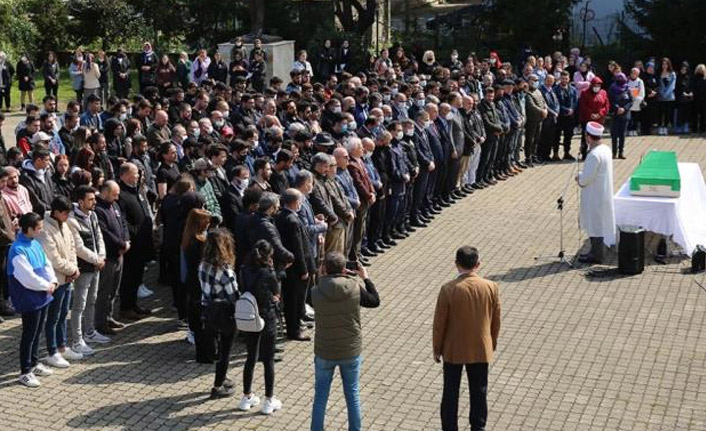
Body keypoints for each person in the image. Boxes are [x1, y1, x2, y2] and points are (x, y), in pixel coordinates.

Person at [433, 246, 501, 431]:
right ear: (478, 264)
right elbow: (496, 320)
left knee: (450, 393)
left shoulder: (448, 289)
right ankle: (478, 427)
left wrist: (437, 349)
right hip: (481, 347)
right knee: (479, 392)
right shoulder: (491, 287)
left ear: (456, 264)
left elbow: (440, 323)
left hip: (453, 349)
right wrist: (491, 343)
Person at [310, 251, 380, 431]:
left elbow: (314, 294)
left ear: (324, 268)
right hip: (350, 350)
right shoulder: (355, 288)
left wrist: (319, 275)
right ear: (344, 269)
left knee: (320, 397)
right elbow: (374, 301)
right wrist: (366, 278)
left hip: (325, 351)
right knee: (352, 394)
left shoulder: (316, 292)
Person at [9, 212, 58, 387]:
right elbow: (27, 277)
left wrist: (52, 280)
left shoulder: (35, 243)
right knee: (28, 335)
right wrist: (47, 285)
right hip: (29, 298)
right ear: (28, 229)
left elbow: (46, 264)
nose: (40, 231)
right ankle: (25, 371)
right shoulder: (17, 249)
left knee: (37, 332)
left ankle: (35, 363)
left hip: (42, 295)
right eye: (38, 228)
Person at [37, 196, 82, 369]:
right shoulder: (45, 229)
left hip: (68, 277)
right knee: (53, 317)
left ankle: (62, 346)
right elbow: (53, 258)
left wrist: (74, 269)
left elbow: (72, 249)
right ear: (56, 212)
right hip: (56, 280)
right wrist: (72, 270)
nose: (67, 217)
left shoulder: (65, 224)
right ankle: (52, 351)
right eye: (65, 213)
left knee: (64, 314)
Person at [238, 240, 282, 415]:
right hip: (266, 318)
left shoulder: (243, 270)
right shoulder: (268, 273)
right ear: (268, 256)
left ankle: (246, 396)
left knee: (250, 357)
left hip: (249, 317)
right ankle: (269, 400)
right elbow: (276, 294)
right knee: (268, 360)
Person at [198, 228, 239, 399]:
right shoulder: (225, 271)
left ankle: (222, 377)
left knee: (219, 349)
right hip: (225, 313)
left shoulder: (202, 265)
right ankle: (217, 386)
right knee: (225, 351)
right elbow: (234, 296)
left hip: (208, 311)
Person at [68, 185, 107, 356]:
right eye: (90, 200)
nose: (94, 202)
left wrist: (102, 256)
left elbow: (99, 236)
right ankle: (77, 341)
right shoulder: (72, 220)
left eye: (94, 199)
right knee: (79, 306)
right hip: (83, 269)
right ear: (80, 201)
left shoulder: (93, 215)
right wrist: (96, 259)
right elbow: (79, 247)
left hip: (96, 266)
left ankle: (90, 332)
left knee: (92, 300)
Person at [275, 188, 313, 341]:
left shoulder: (281, 216)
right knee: (295, 301)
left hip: (289, 267)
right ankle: (295, 330)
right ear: (295, 202)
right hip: (296, 269)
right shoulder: (292, 220)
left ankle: (293, 327)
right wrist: (304, 270)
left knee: (291, 299)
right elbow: (298, 248)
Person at [117, 163, 153, 320]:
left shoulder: (137, 190)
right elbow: (123, 221)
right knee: (129, 277)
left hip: (143, 242)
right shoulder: (121, 194)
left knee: (138, 276)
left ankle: (133, 304)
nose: (138, 176)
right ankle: (126, 308)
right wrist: (134, 233)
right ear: (125, 175)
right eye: (135, 173)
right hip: (132, 243)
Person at [576, 122, 616, 264]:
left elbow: (586, 178)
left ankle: (597, 255)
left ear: (588, 137)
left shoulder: (593, 155)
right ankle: (595, 251)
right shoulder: (605, 149)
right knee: (598, 223)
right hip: (602, 192)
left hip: (595, 195)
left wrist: (579, 177)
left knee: (595, 225)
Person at [608, 73, 632, 159]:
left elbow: (630, 101)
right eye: (619, 79)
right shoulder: (612, 88)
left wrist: (624, 109)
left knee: (622, 134)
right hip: (615, 114)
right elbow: (610, 100)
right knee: (614, 134)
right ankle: (614, 152)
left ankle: (621, 152)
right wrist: (617, 108)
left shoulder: (627, 88)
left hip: (625, 115)